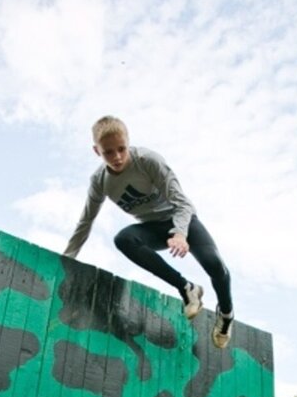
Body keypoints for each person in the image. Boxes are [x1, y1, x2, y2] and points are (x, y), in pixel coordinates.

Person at [64, 116, 235, 348]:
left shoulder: (148, 161)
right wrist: (66, 259)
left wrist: (180, 234)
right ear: (97, 151)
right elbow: (86, 221)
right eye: (108, 152)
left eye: (122, 149)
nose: (117, 157)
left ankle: (226, 315)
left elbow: (182, 203)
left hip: (182, 220)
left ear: (128, 142)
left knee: (214, 264)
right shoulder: (99, 181)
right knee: (123, 239)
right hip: (153, 229)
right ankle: (187, 288)